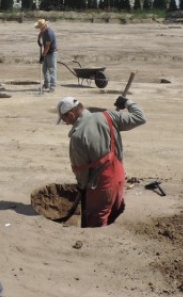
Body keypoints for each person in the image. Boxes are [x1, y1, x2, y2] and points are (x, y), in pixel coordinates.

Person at [57, 95, 146, 228]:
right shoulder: (108, 116)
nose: (65, 123)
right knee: (114, 214)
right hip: (120, 179)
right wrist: (128, 102)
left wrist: (82, 188)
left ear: (70, 115)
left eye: (64, 119)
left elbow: (81, 171)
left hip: (100, 187)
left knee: (96, 222)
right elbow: (140, 117)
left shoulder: (78, 136)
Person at [34, 19, 58, 92]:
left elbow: (47, 47)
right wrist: (38, 40)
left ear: (44, 26)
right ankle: (46, 84)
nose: (40, 29)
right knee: (44, 69)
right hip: (47, 52)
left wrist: (42, 56)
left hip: (52, 53)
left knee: (52, 69)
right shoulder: (43, 31)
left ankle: (52, 86)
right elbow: (40, 34)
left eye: (41, 28)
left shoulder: (49, 33)